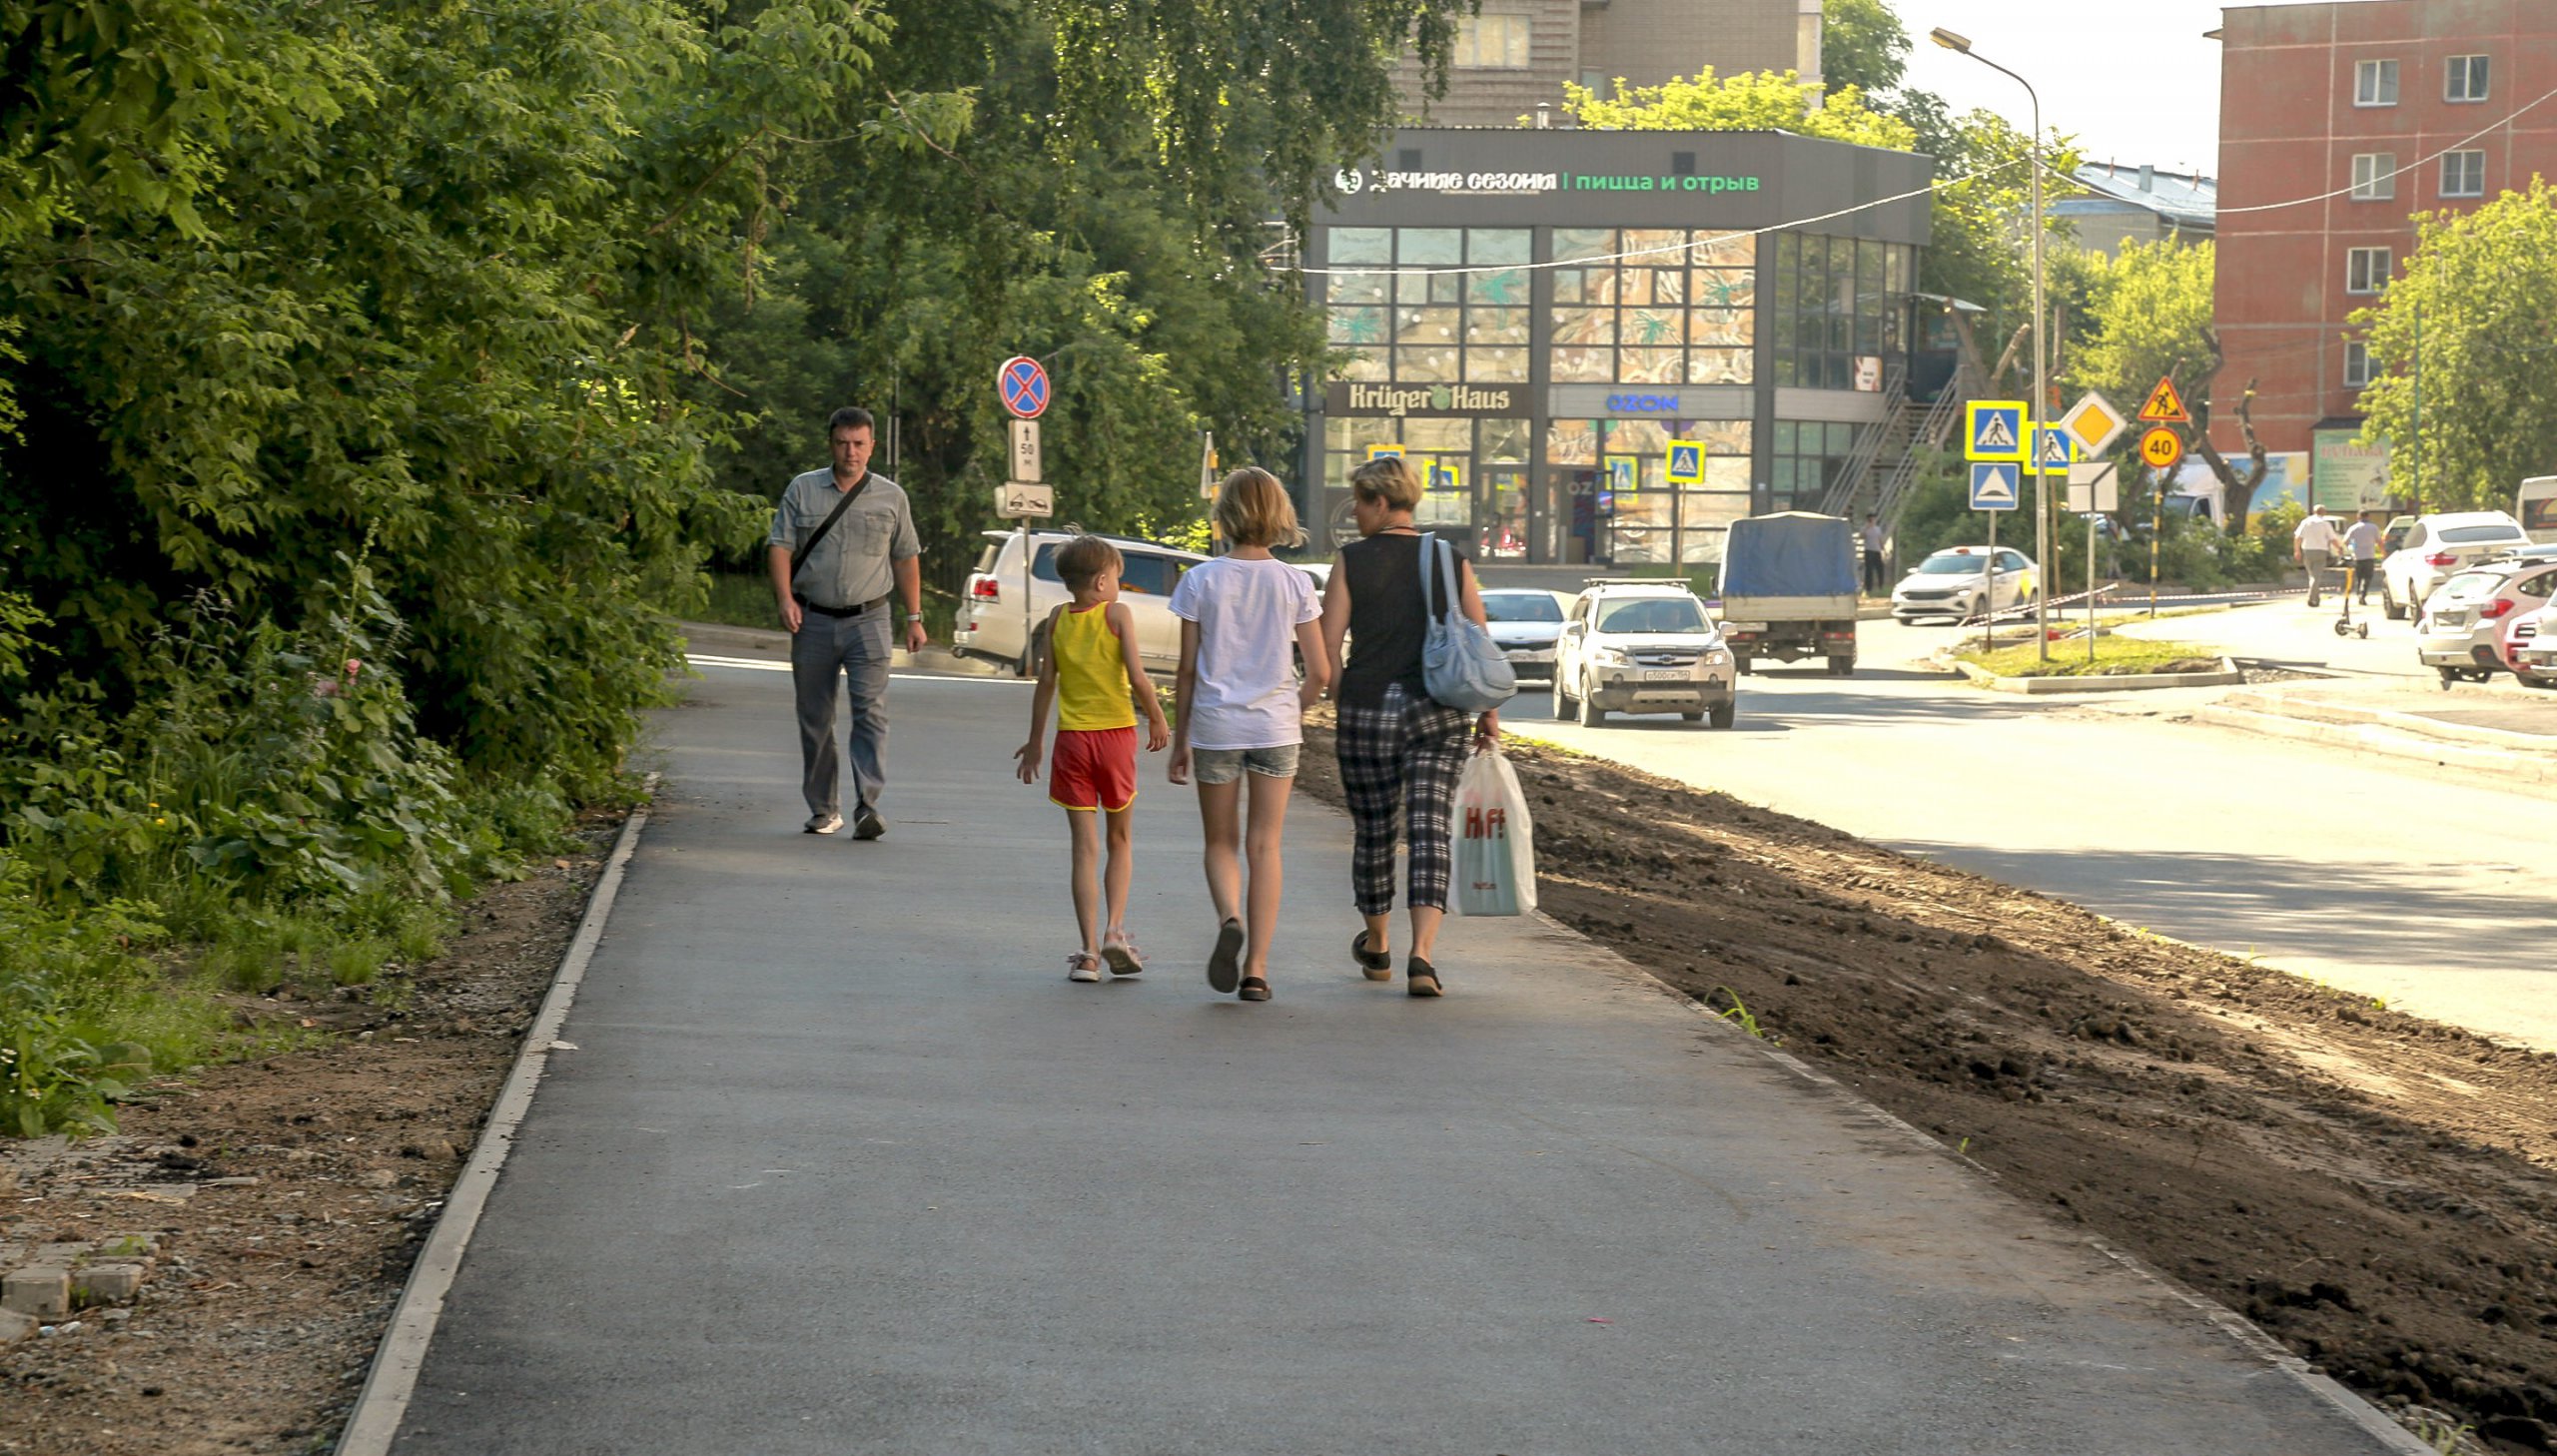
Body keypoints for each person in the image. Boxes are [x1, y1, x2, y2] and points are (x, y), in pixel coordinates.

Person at [1318, 456, 1499, 1000]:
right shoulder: (1449, 559)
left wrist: (1340, 695)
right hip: (1438, 710)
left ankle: (1378, 946)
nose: (1354, 513)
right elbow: (1477, 640)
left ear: (1378, 502)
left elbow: (1329, 648)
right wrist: (1488, 714)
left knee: (1375, 831)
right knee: (1429, 831)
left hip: (1369, 711)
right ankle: (1423, 956)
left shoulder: (1350, 561)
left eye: (1359, 501)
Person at [1167, 469, 1328, 1004]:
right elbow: (1322, 672)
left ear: (1226, 515)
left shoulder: (1201, 580)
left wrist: (1180, 738)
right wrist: (1293, 710)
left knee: (1220, 842)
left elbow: (1186, 670)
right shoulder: (1295, 583)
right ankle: (1256, 969)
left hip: (1216, 725)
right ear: (1279, 513)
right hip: (1275, 727)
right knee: (1266, 845)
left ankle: (1229, 916)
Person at [1014, 535, 1172, 983]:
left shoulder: (1057, 619)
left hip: (1072, 743)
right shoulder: (1117, 615)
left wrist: (1035, 742)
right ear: (1102, 581)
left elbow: (1046, 684)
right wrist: (1158, 719)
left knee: (1084, 848)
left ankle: (1087, 955)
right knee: (1119, 840)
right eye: (1119, 577)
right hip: (1116, 738)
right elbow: (1138, 678)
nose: (1119, 586)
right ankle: (1115, 932)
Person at [768, 406, 926, 840]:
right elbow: (780, 546)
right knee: (815, 717)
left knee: (870, 711)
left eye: (858, 443)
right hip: (813, 618)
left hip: (870, 619)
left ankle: (867, 806)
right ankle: (824, 809)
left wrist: (914, 617)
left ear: (872, 446)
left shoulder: (891, 497)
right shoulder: (803, 489)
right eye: (842, 443)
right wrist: (785, 599)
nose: (850, 452)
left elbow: (906, 556)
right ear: (831, 444)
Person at [2293, 503, 2342, 608]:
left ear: (2314, 511)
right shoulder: (2325, 524)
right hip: (2321, 552)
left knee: (2312, 576)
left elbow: (2298, 537)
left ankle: (2316, 598)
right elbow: (2332, 538)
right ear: (2324, 512)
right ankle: (2311, 598)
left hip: (2307, 551)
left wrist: (2297, 551)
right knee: (2316, 576)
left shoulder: (2305, 522)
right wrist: (2339, 548)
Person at [2342, 509, 2381, 604]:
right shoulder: (2373, 527)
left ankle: (2359, 593)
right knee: (2368, 577)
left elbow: (2345, 541)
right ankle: (2362, 594)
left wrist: (2352, 547)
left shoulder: (2353, 528)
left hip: (2357, 556)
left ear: (2358, 517)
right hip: (2369, 555)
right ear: (2368, 516)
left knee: (2359, 577)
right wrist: (2383, 552)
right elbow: (2379, 541)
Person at [1862, 513, 1888, 595]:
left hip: (1877, 551)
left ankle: (1881, 585)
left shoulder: (1878, 529)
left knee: (1880, 569)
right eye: (1871, 519)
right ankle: (1868, 588)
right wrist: (1867, 527)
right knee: (1869, 570)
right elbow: (1861, 536)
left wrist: (1884, 549)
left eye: (1873, 519)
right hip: (1869, 551)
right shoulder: (1865, 528)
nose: (1872, 521)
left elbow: (1880, 539)